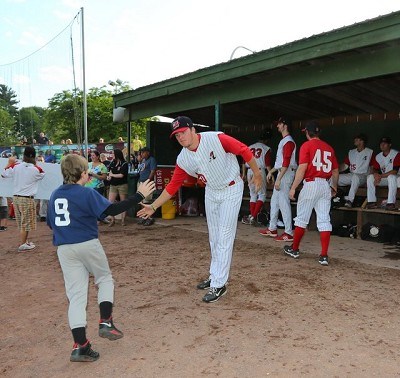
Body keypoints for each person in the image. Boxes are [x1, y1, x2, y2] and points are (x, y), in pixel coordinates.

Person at [137, 116, 262, 303]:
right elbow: (172, 186)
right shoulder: (183, 158)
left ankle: (219, 285)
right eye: (177, 135)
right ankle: (214, 275)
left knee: (225, 235)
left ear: (193, 130)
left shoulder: (216, 139)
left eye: (183, 132)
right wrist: (153, 206)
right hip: (212, 191)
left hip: (231, 187)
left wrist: (258, 174)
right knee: (214, 236)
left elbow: (244, 150)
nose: (180, 137)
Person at [47, 154, 155, 362]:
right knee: (104, 279)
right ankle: (105, 321)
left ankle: (81, 346)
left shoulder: (54, 195)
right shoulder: (86, 193)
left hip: (64, 248)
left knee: (76, 296)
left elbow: (52, 224)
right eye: (86, 171)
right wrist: (139, 195)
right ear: (83, 173)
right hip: (87, 243)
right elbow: (113, 209)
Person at [283, 120, 339, 266]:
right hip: (325, 185)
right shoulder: (329, 148)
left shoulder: (307, 145)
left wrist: (293, 187)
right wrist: (334, 187)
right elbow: (335, 170)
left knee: (301, 218)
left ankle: (294, 249)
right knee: (324, 220)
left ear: (308, 132)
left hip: (311, 183)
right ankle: (324, 255)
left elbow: (302, 169)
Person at [259, 117, 297, 241]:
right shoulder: (284, 141)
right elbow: (280, 163)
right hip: (282, 172)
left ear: (285, 125)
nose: (277, 126)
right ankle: (272, 228)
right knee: (274, 202)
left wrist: (279, 178)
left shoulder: (288, 141)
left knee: (283, 203)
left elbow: (286, 163)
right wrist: (271, 171)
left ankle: (288, 232)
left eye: (279, 124)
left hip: (286, 174)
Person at [1, 146, 45, 251]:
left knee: (21, 222)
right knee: (26, 223)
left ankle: (24, 242)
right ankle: (23, 243)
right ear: (34, 156)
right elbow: (42, 173)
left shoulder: (16, 166)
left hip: (16, 197)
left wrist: (9, 163)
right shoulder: (36, 169)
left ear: (23, 155)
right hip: (27, 198)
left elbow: (3, 174)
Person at [241, 131, 272, 225]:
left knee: (253, 194)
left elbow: (243, 162)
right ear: (266, 140)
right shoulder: (266, 148)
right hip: (259, 170)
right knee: (262, 194)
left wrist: (244, 174)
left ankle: (251, 216)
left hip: (250, 170)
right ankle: (253, 216)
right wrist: (270, 174)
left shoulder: (249, 147)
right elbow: (267, 164)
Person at [338, 134, 375, 208]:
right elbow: (345, 166)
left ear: (362, 141)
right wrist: (335, 171)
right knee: (335, 177)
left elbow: (372, 167)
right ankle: (334, 197)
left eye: (357, 139)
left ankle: (350, 200)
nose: (354, 140)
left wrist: (369, 181)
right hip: (352, 175)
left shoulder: (369, 152)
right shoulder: (351, 152)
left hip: (364, 176)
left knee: (355, 177)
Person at [365, 137, 400, 210]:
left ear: (390, 145)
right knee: (370, 177)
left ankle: (391, 203)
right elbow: (375, 169)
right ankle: (371, 202)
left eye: (385, 143)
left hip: (397, 178)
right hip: (385, 178)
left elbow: (395, 171)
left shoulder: (396, 154)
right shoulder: (378, 156)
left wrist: (380, 176)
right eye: (381, 143)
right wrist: (375, 174)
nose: (382, 145)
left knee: (391, 177)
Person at [107, 149, 129, 226]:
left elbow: (122, 175)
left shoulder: (124, 163)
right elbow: (109, 172)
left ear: (117, 154)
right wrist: (109, 177)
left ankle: (123, 220)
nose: (112, 155)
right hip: (113, 184)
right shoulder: (112, 163)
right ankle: (113, 219)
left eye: (113, 153)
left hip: (122, 184)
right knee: (110, 202)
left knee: (123, 202)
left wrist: (112, 175)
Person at [137, 147, 157, 226]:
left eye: (143, 152)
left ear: (148, 152)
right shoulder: (143, 160)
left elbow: (152, 171)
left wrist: (148, 181)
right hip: (141, 181)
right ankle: (144, 217)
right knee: (141, 201)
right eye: (141, 153)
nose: (142, 154)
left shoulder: (152, 160)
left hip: (147, 182)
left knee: (147, 201)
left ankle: (149, 217)